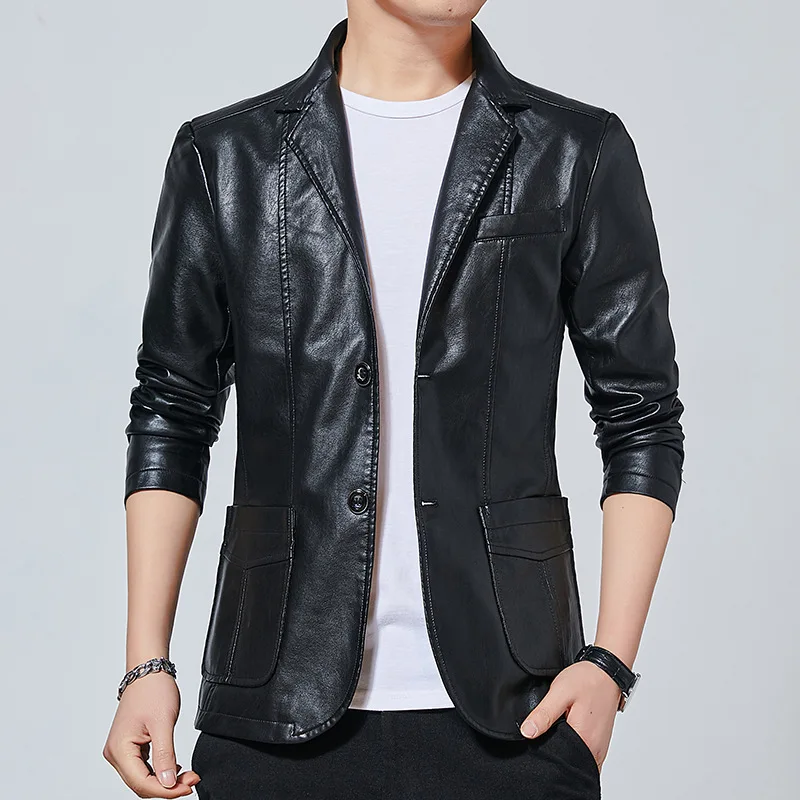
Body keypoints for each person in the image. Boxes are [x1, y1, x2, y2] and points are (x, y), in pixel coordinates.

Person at [103, 3, 686, 799]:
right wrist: (146, 663)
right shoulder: (227, 157)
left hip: (517, 709)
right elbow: (172, 408)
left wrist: (608, 664)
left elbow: (641, 414)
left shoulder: (573, 150)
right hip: (274, 708)